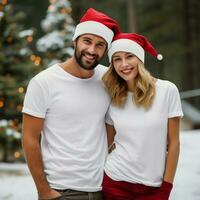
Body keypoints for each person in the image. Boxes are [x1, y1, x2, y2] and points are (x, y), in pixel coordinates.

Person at [22, 8, 120, 200]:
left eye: (100, 45)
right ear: (75, 41)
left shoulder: (109, 79)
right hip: (62, 191)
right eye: (87, 41)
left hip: (104, 187)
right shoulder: (44, 82)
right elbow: (29, 138)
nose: (92, 50)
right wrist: (43, 190)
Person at [102, 33, 183, 200]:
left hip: (154, 187)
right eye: (117, 59)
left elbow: (174, 143)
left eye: (129, 56)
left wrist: (166, 187)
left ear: (140, 58)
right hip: (115, 182)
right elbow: (105, 143)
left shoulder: (167, 90)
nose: (124, 64)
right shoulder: (114, 96)